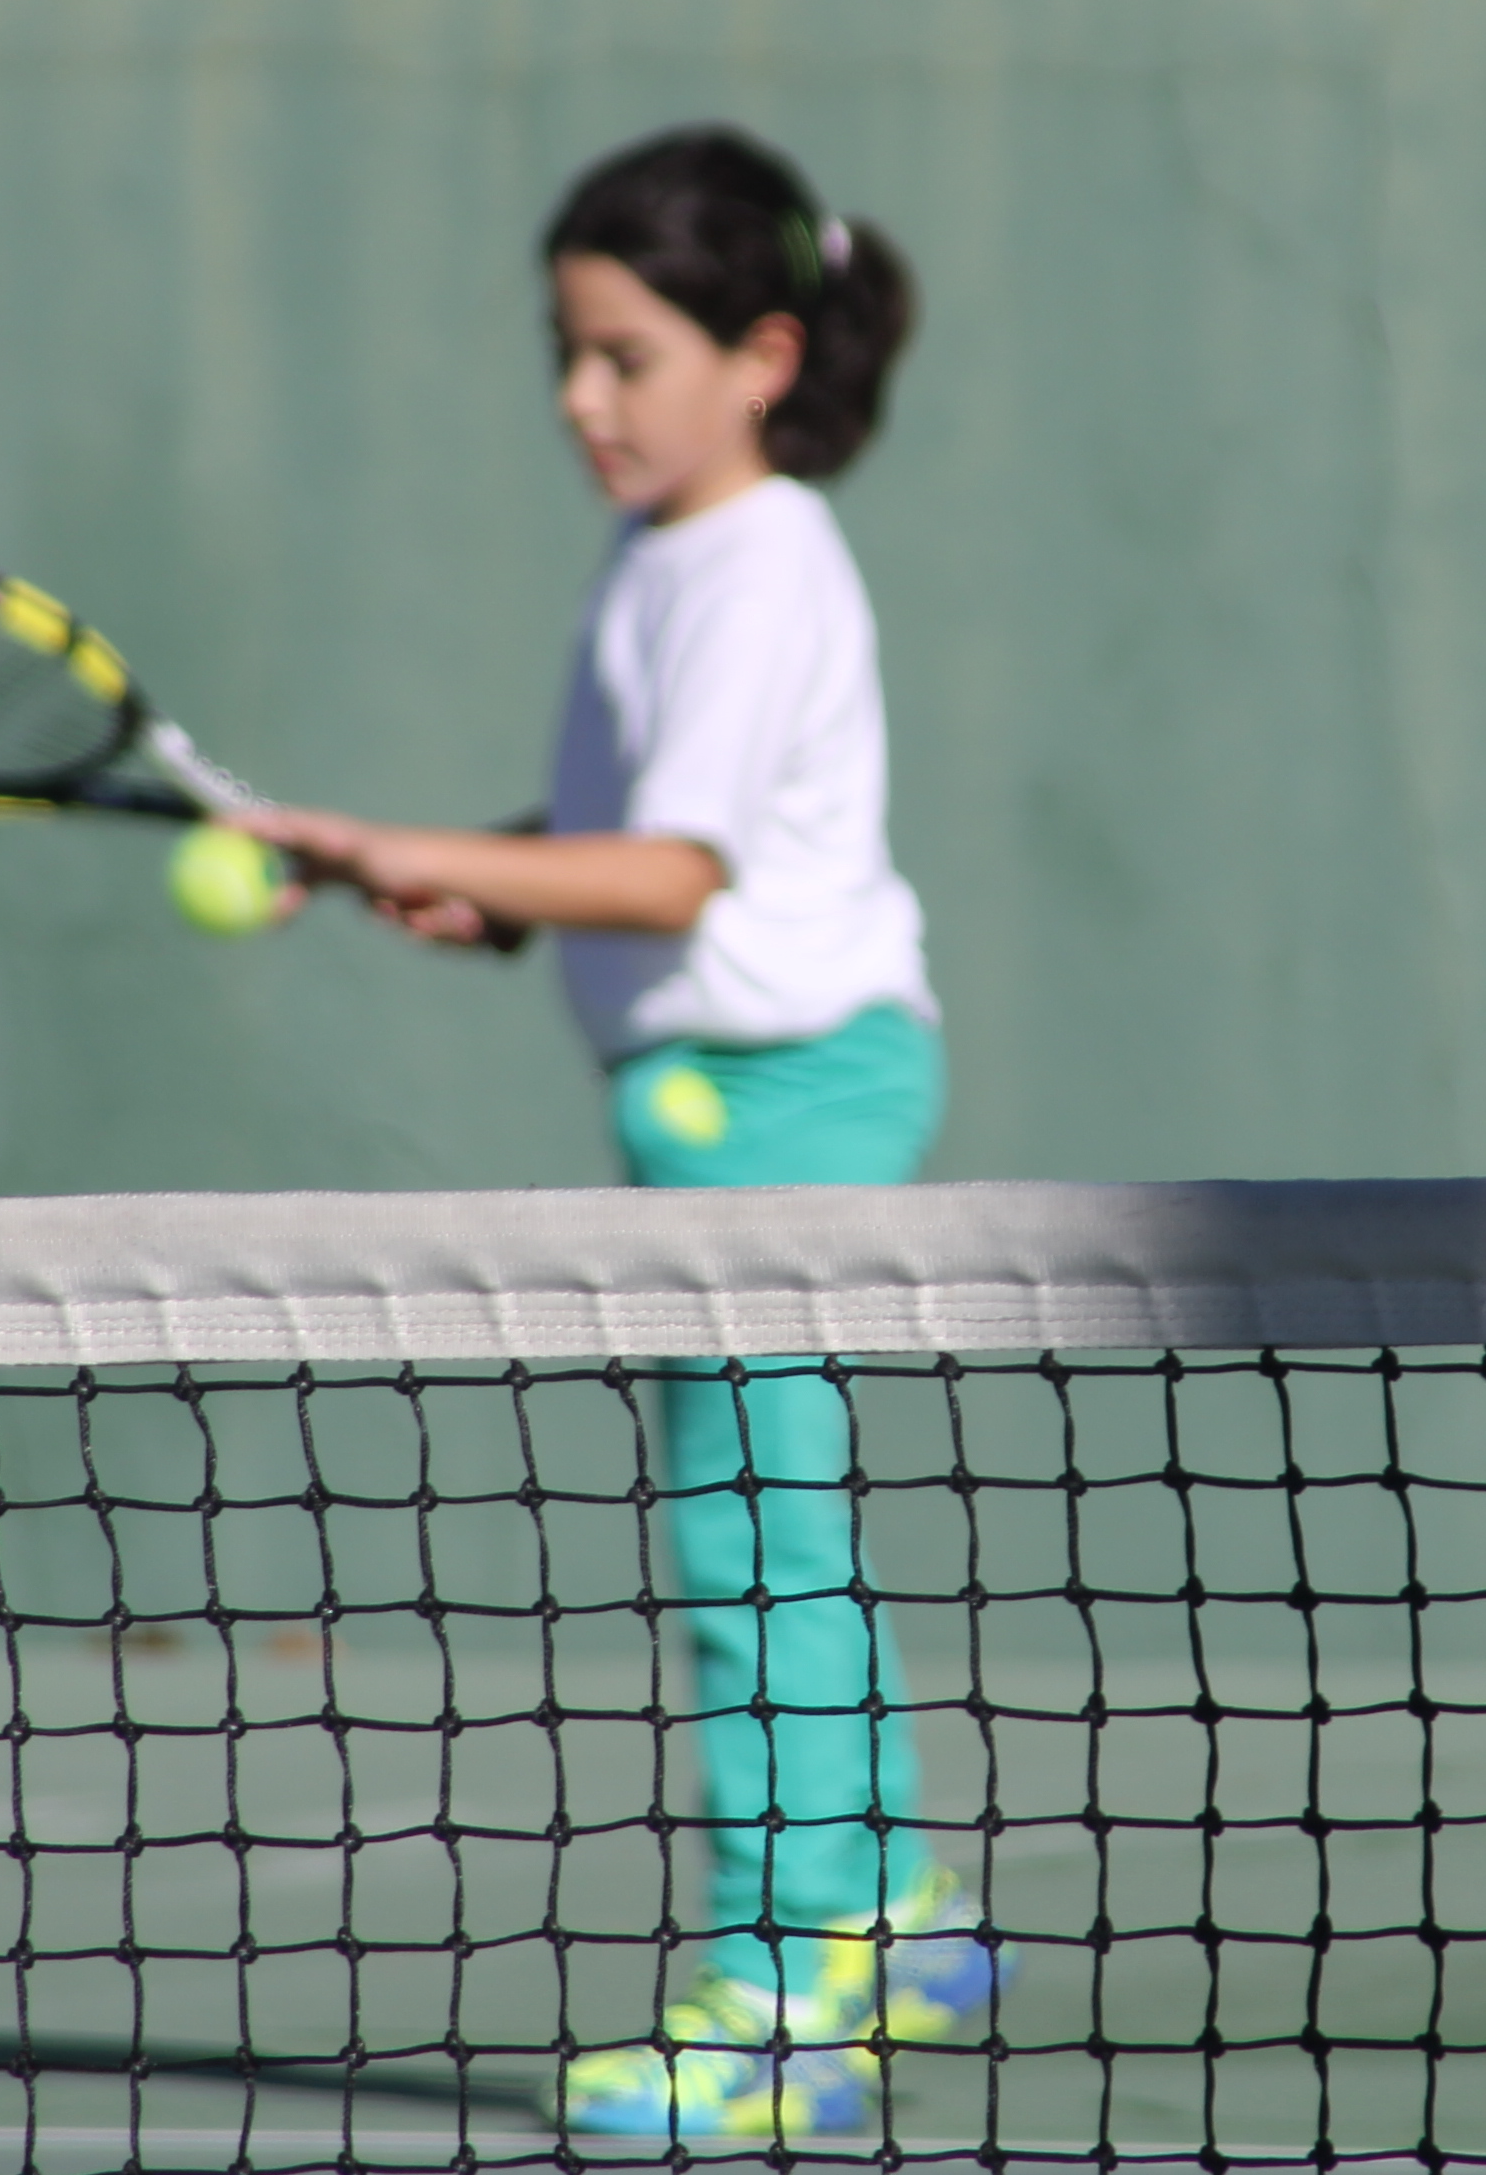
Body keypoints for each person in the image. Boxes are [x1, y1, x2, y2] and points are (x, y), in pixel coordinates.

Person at [234, 125, 1006, 2144]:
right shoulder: (676, 548)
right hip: (745, 1090)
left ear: (763, 357)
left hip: (786, 1093)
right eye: (565, 355)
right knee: (779, 1505)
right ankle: (900, 1910)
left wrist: (414, 846)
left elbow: (671, 873)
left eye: (627, 357)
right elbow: (625, 838)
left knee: (747, 1531)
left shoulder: (756, 563)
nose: (583, 398)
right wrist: (478, 882)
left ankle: (783, 1994)